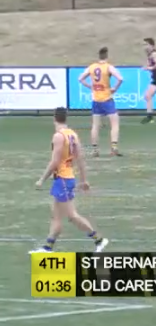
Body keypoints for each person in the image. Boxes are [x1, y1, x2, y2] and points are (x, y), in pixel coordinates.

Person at [30, 108, 110, 254]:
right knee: (56, 216)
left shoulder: (58, 136)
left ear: (54, 118)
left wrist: (42, 179)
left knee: (72, 216)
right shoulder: (72, 134)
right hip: (66, 178)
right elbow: (80, 158)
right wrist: (84, 180)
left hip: (63, 179)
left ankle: (98, 239)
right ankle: (48, 247)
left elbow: (54, 162)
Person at [78, 47, 123, 157]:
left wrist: (90, 86)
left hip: (96, 100)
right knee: (115, 123)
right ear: (107, 56)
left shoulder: (92, 67)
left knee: (95, 125)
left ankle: (95, 150)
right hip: (107, 98)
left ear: (99, 56)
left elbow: (80, 79)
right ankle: (114, 147)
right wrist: (115, 88)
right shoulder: (108, 67)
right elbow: (120, 79)